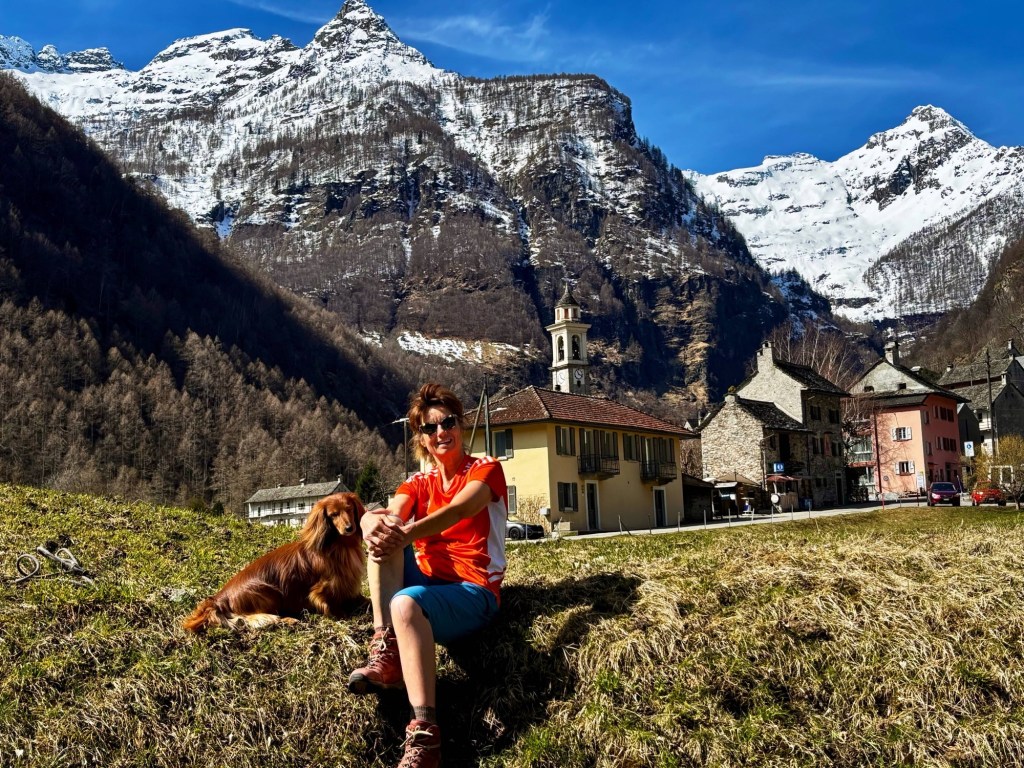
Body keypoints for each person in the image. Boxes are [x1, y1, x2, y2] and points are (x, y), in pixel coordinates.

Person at [348, 383, 508, 768]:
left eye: (447, 422)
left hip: (473, 591)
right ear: (420, 437)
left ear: (460, 424)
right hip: (429, 581)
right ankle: (385, 650)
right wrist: (370, 519)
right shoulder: (419, 482)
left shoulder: (485, 469)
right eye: (429, 428)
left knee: (405, 602)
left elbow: (458, 510)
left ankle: (425, 736)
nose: (441, 433)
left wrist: (404, 531)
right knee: (382, 543)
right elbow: (394, 514)